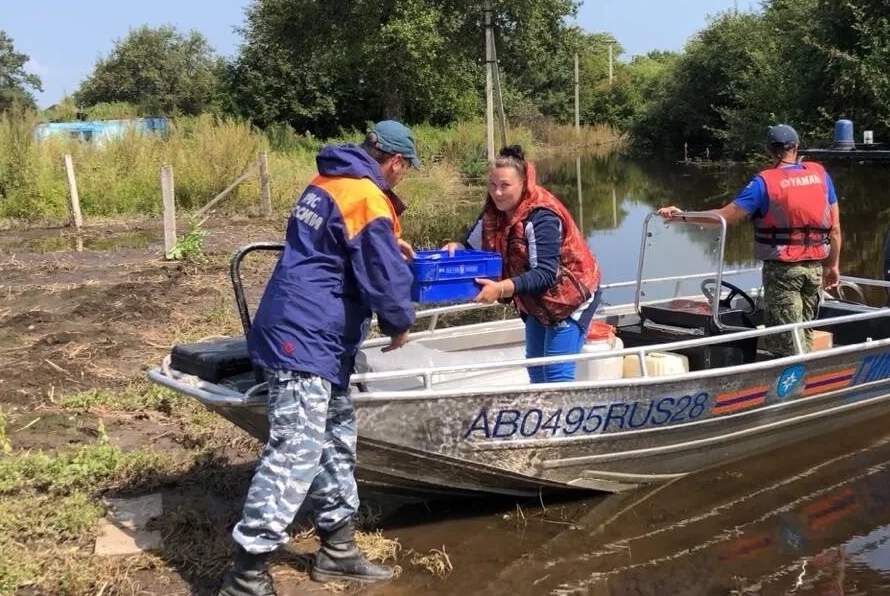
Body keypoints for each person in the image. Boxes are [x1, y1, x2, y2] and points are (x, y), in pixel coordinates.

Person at [218, 121, 421, 596]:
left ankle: (338, 550)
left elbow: (334, 249)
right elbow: (381, 272)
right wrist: (399, 323)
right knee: (295, 452)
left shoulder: (328, 182)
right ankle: (246, 574)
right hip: (304, 336)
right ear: (395, 162)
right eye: (405, 170)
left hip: (320, 336)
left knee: (334, 441)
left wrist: (387, 247)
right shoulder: (367, 197)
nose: (402, 176)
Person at [657, 124, 841, 358]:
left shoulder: (765, 183)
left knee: (786, 339)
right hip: (814, 269)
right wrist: (832, 266)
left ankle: (790, 386)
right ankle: (806, 375)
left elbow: (722, 218)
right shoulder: (820, 176)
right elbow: (835, 229)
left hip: (783, 273)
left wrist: (681, 216)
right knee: (803, 330)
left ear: (768, 150)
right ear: (796, 147)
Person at [444, 145, 602, 383]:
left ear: (523, 184)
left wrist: (500, 289)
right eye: (493, 185)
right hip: (534, 302)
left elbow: (546, 274)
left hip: (571, 298)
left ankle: (560, 418)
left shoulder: (542, 215)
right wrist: (457, 247)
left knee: (556, 374)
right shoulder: (495, 211)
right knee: (536, 369)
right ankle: (539, 417)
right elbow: (472, 245)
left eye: (505, 186)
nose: (497, 193)